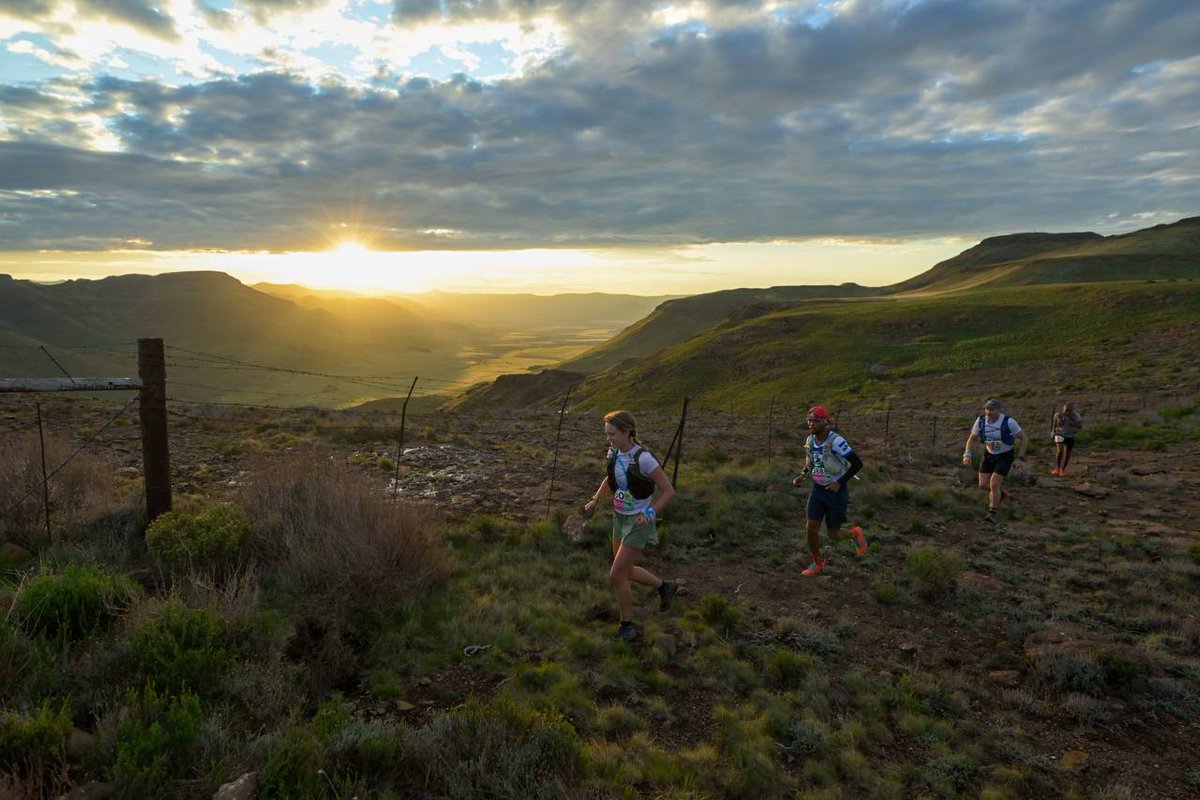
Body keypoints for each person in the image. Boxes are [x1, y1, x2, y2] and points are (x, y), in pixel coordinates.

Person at [584, 410, 677, 642]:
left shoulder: (644, 459)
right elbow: (610, 478)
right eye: (607, 434)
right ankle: (665, 587)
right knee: (625, 571)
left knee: (616, 575)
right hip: (620, 517)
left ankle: (627, 625)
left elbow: (668, 491)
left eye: (612, 434)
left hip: (638, 521)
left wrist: (649, 513)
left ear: (627, 431)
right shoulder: (614, 453)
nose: (609, 439)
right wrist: (596, 499)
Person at [792, 405, 866, 576]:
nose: (811, 424)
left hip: (836, 493)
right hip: (818, 490)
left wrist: (839, 482)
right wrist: (802, 475)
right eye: (809, 420)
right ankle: (817, 563)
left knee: (833, 534)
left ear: (825, 422)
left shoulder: (836, 441)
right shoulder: (810, 441)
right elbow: (811, 462)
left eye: (815, 421)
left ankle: (854, 534)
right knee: (811, 527)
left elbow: (857, 463)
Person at [962, 398, 1028, 522]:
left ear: (999, 410)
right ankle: (1002, 495)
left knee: (994, 483)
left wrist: (1020, 458)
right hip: (988, 454)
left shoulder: (1009, 422)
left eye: (991, 409)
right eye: (986, 409)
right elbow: (971, 438)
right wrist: (967, 453)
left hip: (1005, 456)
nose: (988, 412)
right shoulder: (981, 421)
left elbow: (1024, 438)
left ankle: (992, 513)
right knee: (983, 484)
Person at [1051, 402, 1083, 476]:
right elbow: (1055, 425)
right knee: (1059, 451)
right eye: (1066, 410)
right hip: (1060, 434)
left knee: (1067, 453)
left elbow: (1080, 426)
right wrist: (1052, 434)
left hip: (1070, 435)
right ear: (1063, 409)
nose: (1068, 412)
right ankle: (1057, 468)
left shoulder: (1076, 416)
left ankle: (1063, 469)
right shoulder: (1058, 415)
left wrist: (1072, 420)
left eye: (1070, 410)